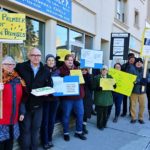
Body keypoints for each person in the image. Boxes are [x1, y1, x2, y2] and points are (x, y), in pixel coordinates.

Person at [15, 48, 53, 150]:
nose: (36, 57)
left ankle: (34, 148)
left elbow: (49, 85)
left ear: (41, 57)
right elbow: (13, 76)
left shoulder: (45, 70)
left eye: (38, 55)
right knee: (26, 130)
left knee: (36, 129)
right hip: (25, 104)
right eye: (33, 55)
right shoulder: (21, 67)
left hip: (38, 105)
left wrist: (47, 93)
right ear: (29, 56)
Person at [0, 56, 25, 150]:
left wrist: (22, 112)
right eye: (6, 64)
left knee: (10, 141)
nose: (9, 66)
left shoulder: (18, 79)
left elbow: (23, 97)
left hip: (13, 116)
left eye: (12, 64)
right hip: (1, 118)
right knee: (1, 142)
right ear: (2, 65)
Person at [59, 54, 86, 141]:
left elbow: (82, 83)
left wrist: (84, 75)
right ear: (65, 61)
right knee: (66, 115)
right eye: (68, 60)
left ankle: (79, 132)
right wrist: (68, 78)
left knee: (80, 114)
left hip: (78, 97)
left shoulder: (77, 70)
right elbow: (58, 82)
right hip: (67, 98)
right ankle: (66, 132)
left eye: (71, 60)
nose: (70, 62)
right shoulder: (61, 70)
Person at [41, 54, 59, 149]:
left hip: (55, 99)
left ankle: (50, 139)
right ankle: (45, 141)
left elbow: (62, 84)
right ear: (46, 61)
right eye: (49, 60)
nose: (51, 62)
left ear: (55, 62)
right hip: (46, 99)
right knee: (45, 121)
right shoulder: (42, 71)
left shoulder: (58, 71)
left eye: (53, 60)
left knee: (52, 120)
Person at [92, 65, 113, 130]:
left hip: (107, 98)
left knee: (105, 112)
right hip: (99, 97)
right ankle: (99, 125)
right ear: (101, 70)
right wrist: (99, 88)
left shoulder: (110, 77)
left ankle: (104, 123)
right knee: (100, 113)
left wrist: (114, 86)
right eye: (103, 69)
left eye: (106, 70)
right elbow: (93, 87)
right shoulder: (97, 78)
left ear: (107, 71)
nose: (104, 71)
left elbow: (113, 87)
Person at [129, 58, 147, 124]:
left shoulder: (145, 70)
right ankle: (133, 118)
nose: (139, 63)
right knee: (133, 105)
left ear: (142, 63)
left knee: (142, 105)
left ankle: (140, 118)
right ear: (135, 63)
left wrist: (146, 80)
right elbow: (131, 78)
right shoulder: (132, 69)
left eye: (140, 62)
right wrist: (139, 80)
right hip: (134, 91)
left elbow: (147, 78)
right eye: (137, 62)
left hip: (142, 91)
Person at [121, 53, 136, 117]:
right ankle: (124, 112)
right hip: (125, 85)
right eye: (130, 58)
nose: (132, 60)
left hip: (133, 86)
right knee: (124, 100)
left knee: (131, 100)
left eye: (133, 58)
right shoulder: (124, 65)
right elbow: (120, 74)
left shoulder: (136, 66)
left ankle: (131, 112)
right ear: (128, 59)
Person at [81, 68, 93, 134]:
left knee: (86, 112)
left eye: (85, 70)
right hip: (80, 96)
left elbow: (92, 87)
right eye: (82, 70)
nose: (84, 71)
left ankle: (84, 126)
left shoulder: (89, 76)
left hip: (87, 96)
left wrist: (90, 79)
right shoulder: (78, 76)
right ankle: (80, 126)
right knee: (80, 112)